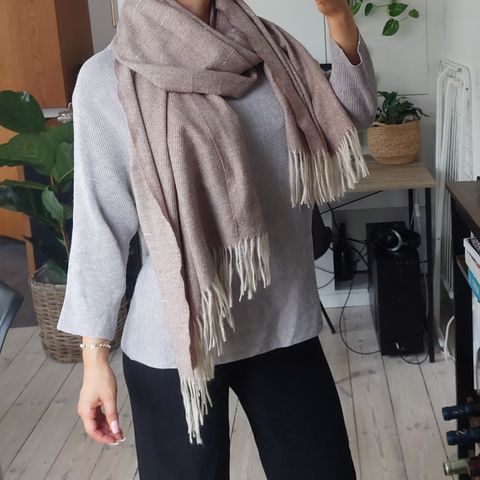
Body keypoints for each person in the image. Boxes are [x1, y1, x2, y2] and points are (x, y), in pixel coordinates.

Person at [57, 0, 377, 478]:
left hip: (282, 320)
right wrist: (94, 359)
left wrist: (338, 17)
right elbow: (100, 224)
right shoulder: (109, 76)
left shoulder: (270, 49)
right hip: (178, 341)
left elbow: (351, 115)